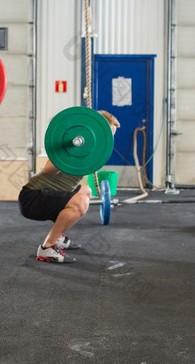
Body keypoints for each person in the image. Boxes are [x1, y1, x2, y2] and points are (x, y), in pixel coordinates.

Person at [17, 110, 119, 263]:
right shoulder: (72, 147)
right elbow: (49, 169)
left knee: (86, 191)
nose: (109, 139)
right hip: (32, 198)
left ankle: (57, 237)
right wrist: (71, 148)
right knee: (80, 203)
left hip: (46, 195)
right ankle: (47, 248)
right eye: (107, 134)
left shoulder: (91, 152)